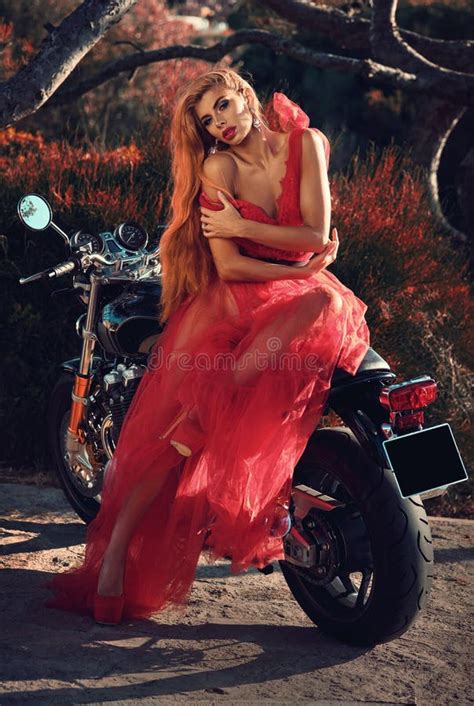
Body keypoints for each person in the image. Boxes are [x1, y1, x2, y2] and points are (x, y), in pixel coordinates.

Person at [45, 67, 370, 625]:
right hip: (232, 303)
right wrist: (299, 255)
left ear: (244, 96)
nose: (219, 123)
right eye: (207, 119)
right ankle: (115, 553)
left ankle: (216, 429)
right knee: (175, 436)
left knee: (320, 306)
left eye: (223, 105)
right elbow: (232, 266)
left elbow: (316, 233)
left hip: (300, 297)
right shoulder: (218, 168)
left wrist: (282, 246)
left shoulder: (305, 142)